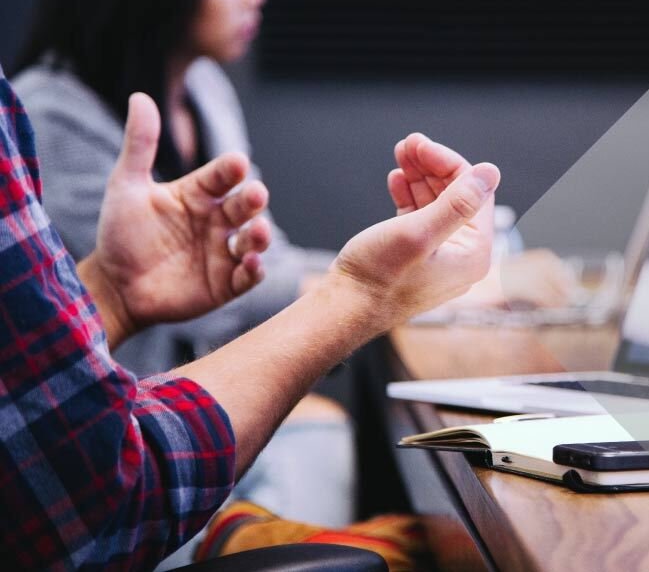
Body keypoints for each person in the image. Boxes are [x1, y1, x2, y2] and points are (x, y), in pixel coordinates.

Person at [0, 64, 500, 570]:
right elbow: (97, 493)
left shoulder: (206, 87)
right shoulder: (48, 111)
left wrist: (110, 293)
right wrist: (363, 295)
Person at [13, 0, 356, 537]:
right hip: (120, 442)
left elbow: (262, 255)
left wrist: (399, 268)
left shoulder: (205, 88)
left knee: (326, 433)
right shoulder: (48, 116)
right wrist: (371, 288)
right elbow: (229, 296)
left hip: (197, 402)